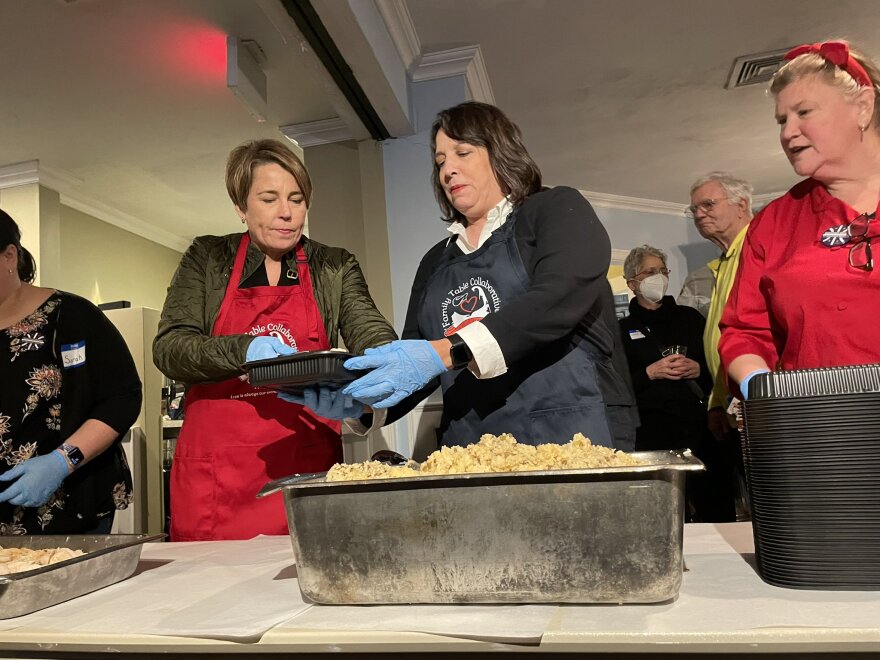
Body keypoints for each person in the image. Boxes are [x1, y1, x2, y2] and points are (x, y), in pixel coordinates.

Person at [328, 102, 638, 450]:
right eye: (440, 161)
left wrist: (448, 350)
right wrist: (361, 403)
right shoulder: (435, 261)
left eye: (463, 152)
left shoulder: (554, 210)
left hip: (571, 436)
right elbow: (419, 363)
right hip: (471, 448)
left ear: (500, 151)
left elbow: (557, 298)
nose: (448, 170)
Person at [152, 139, 396, 541]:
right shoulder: (209, 258)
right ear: (240, 206)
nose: (286, 212)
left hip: (303, 468)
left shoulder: (333, 265)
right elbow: (171, 348)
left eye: (297, 199)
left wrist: (367, 390)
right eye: (269, 199)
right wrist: (246, 348)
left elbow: (372, 333)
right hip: (216, 478)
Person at [720, 40, 880, 395]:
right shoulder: (774, 223)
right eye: (782, 120)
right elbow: (745, 331)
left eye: (804, 112)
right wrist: (762, 390)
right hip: (821, 431)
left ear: (863, 107)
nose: (788, 132)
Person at [0, 209, 140, 535]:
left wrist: (63, 461)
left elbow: (122, 399)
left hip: (69, 503)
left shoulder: (71, 317)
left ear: (9, 256)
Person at [618, 245, 711, 451]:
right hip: (650, 430)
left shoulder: (690, 318)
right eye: (650, 272)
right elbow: (616, 385)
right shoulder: (621, 330)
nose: (658, 277)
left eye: (662, 271)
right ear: (632, 283)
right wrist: (649, 373)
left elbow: (717, 367)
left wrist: (699, 369)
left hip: (696, 426)